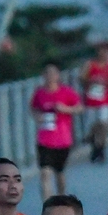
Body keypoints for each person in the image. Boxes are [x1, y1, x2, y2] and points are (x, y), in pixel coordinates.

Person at [31, 62, 83, 201]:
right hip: (44, 139)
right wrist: (38, 117)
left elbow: (79, 108)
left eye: (53, 74)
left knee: (59, 172)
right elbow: (33, 109)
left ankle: (61, 199)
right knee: (45, 173)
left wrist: (65, 109)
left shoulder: (66, 92)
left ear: (58, 76)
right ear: (43, 76)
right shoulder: (40, 93)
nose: (50, 77)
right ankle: (47, 204)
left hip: (62, 139)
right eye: (47, 74)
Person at [81, 43, 108, 163]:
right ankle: (95, 146)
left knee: (103, 123)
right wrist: (91, 80)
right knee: (93, 125)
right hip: (91, 100)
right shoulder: (90, 65)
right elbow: (81, 79)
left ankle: (101, 149)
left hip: (105, 100)